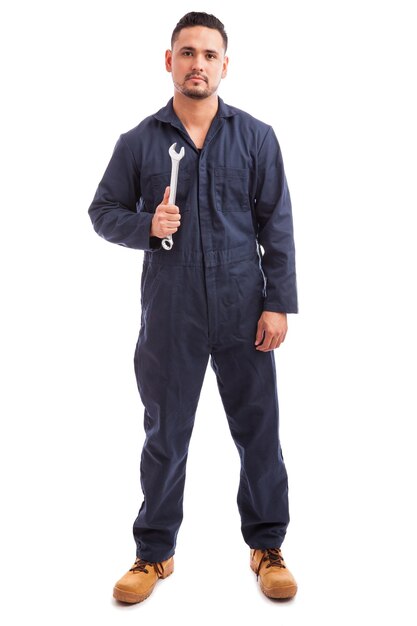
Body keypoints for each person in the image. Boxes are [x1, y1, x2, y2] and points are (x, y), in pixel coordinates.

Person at [88, 11, 299, 603]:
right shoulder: (137, 142)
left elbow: (275, 225)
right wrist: (146, 226)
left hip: (243, 306)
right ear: (169, 61)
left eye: (209, 54)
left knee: (259, 432)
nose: (197, 63)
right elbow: (102, 212)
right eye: (187, 53)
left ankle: (268, 546)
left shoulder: (256, 137)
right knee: (165, 434)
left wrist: (278, 303)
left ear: (225, 65)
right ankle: (154, 554)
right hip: (171, 310)